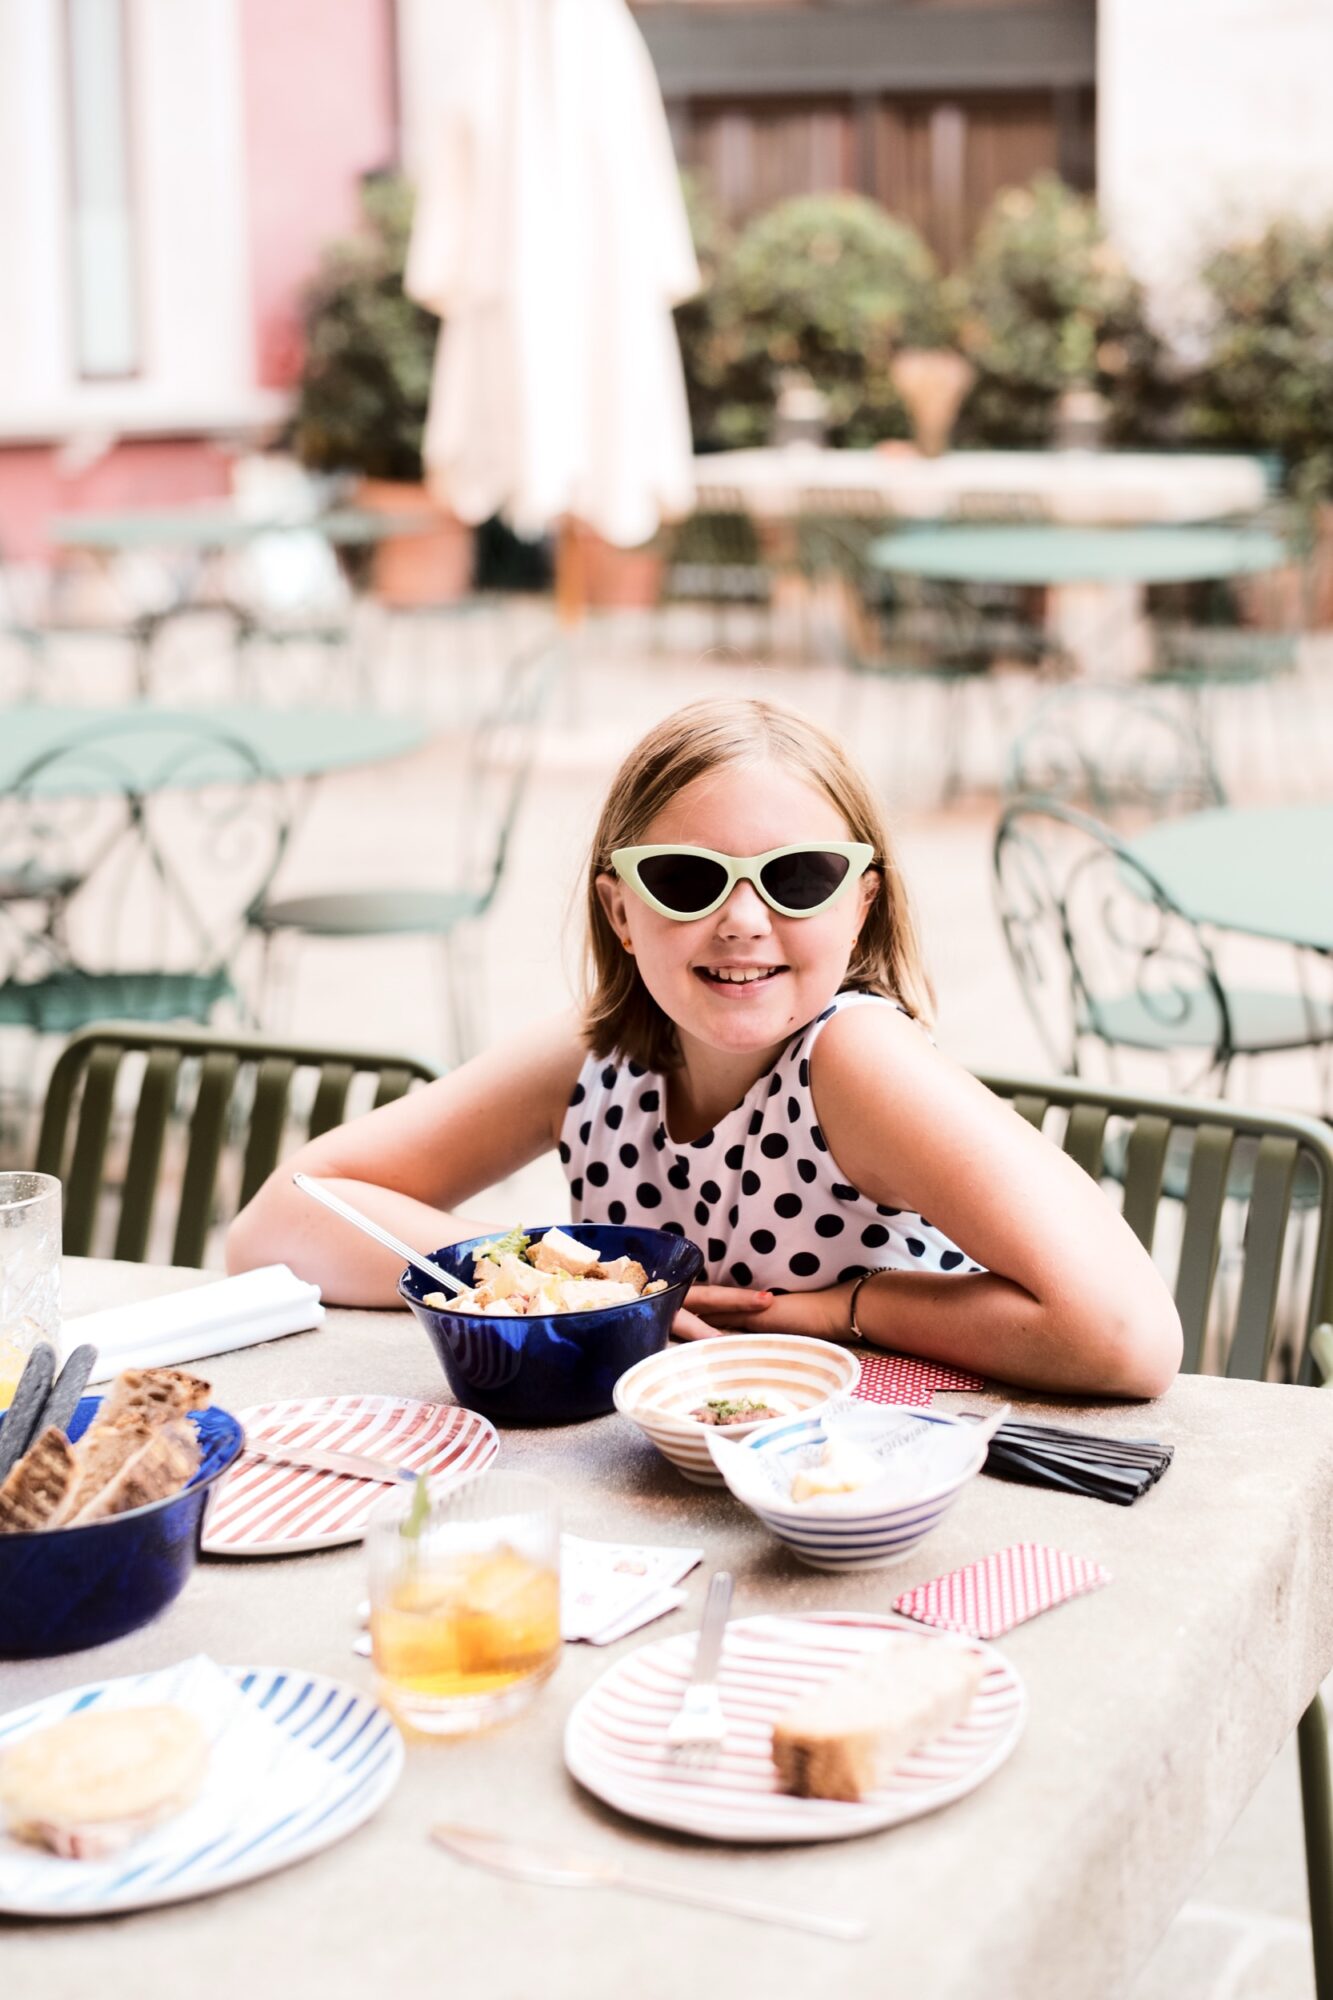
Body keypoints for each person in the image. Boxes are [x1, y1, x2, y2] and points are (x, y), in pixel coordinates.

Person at [228, 697, 1181, 1396]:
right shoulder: (597, 1052)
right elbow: (278, 1227)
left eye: (797, 876)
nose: (741, 921)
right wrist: (555, 1283)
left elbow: (1126, 1339)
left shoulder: (855, 1064)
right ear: (621, 911)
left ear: (862, 904)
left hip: (872, 1496)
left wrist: (845, 1308)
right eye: (685, 878)